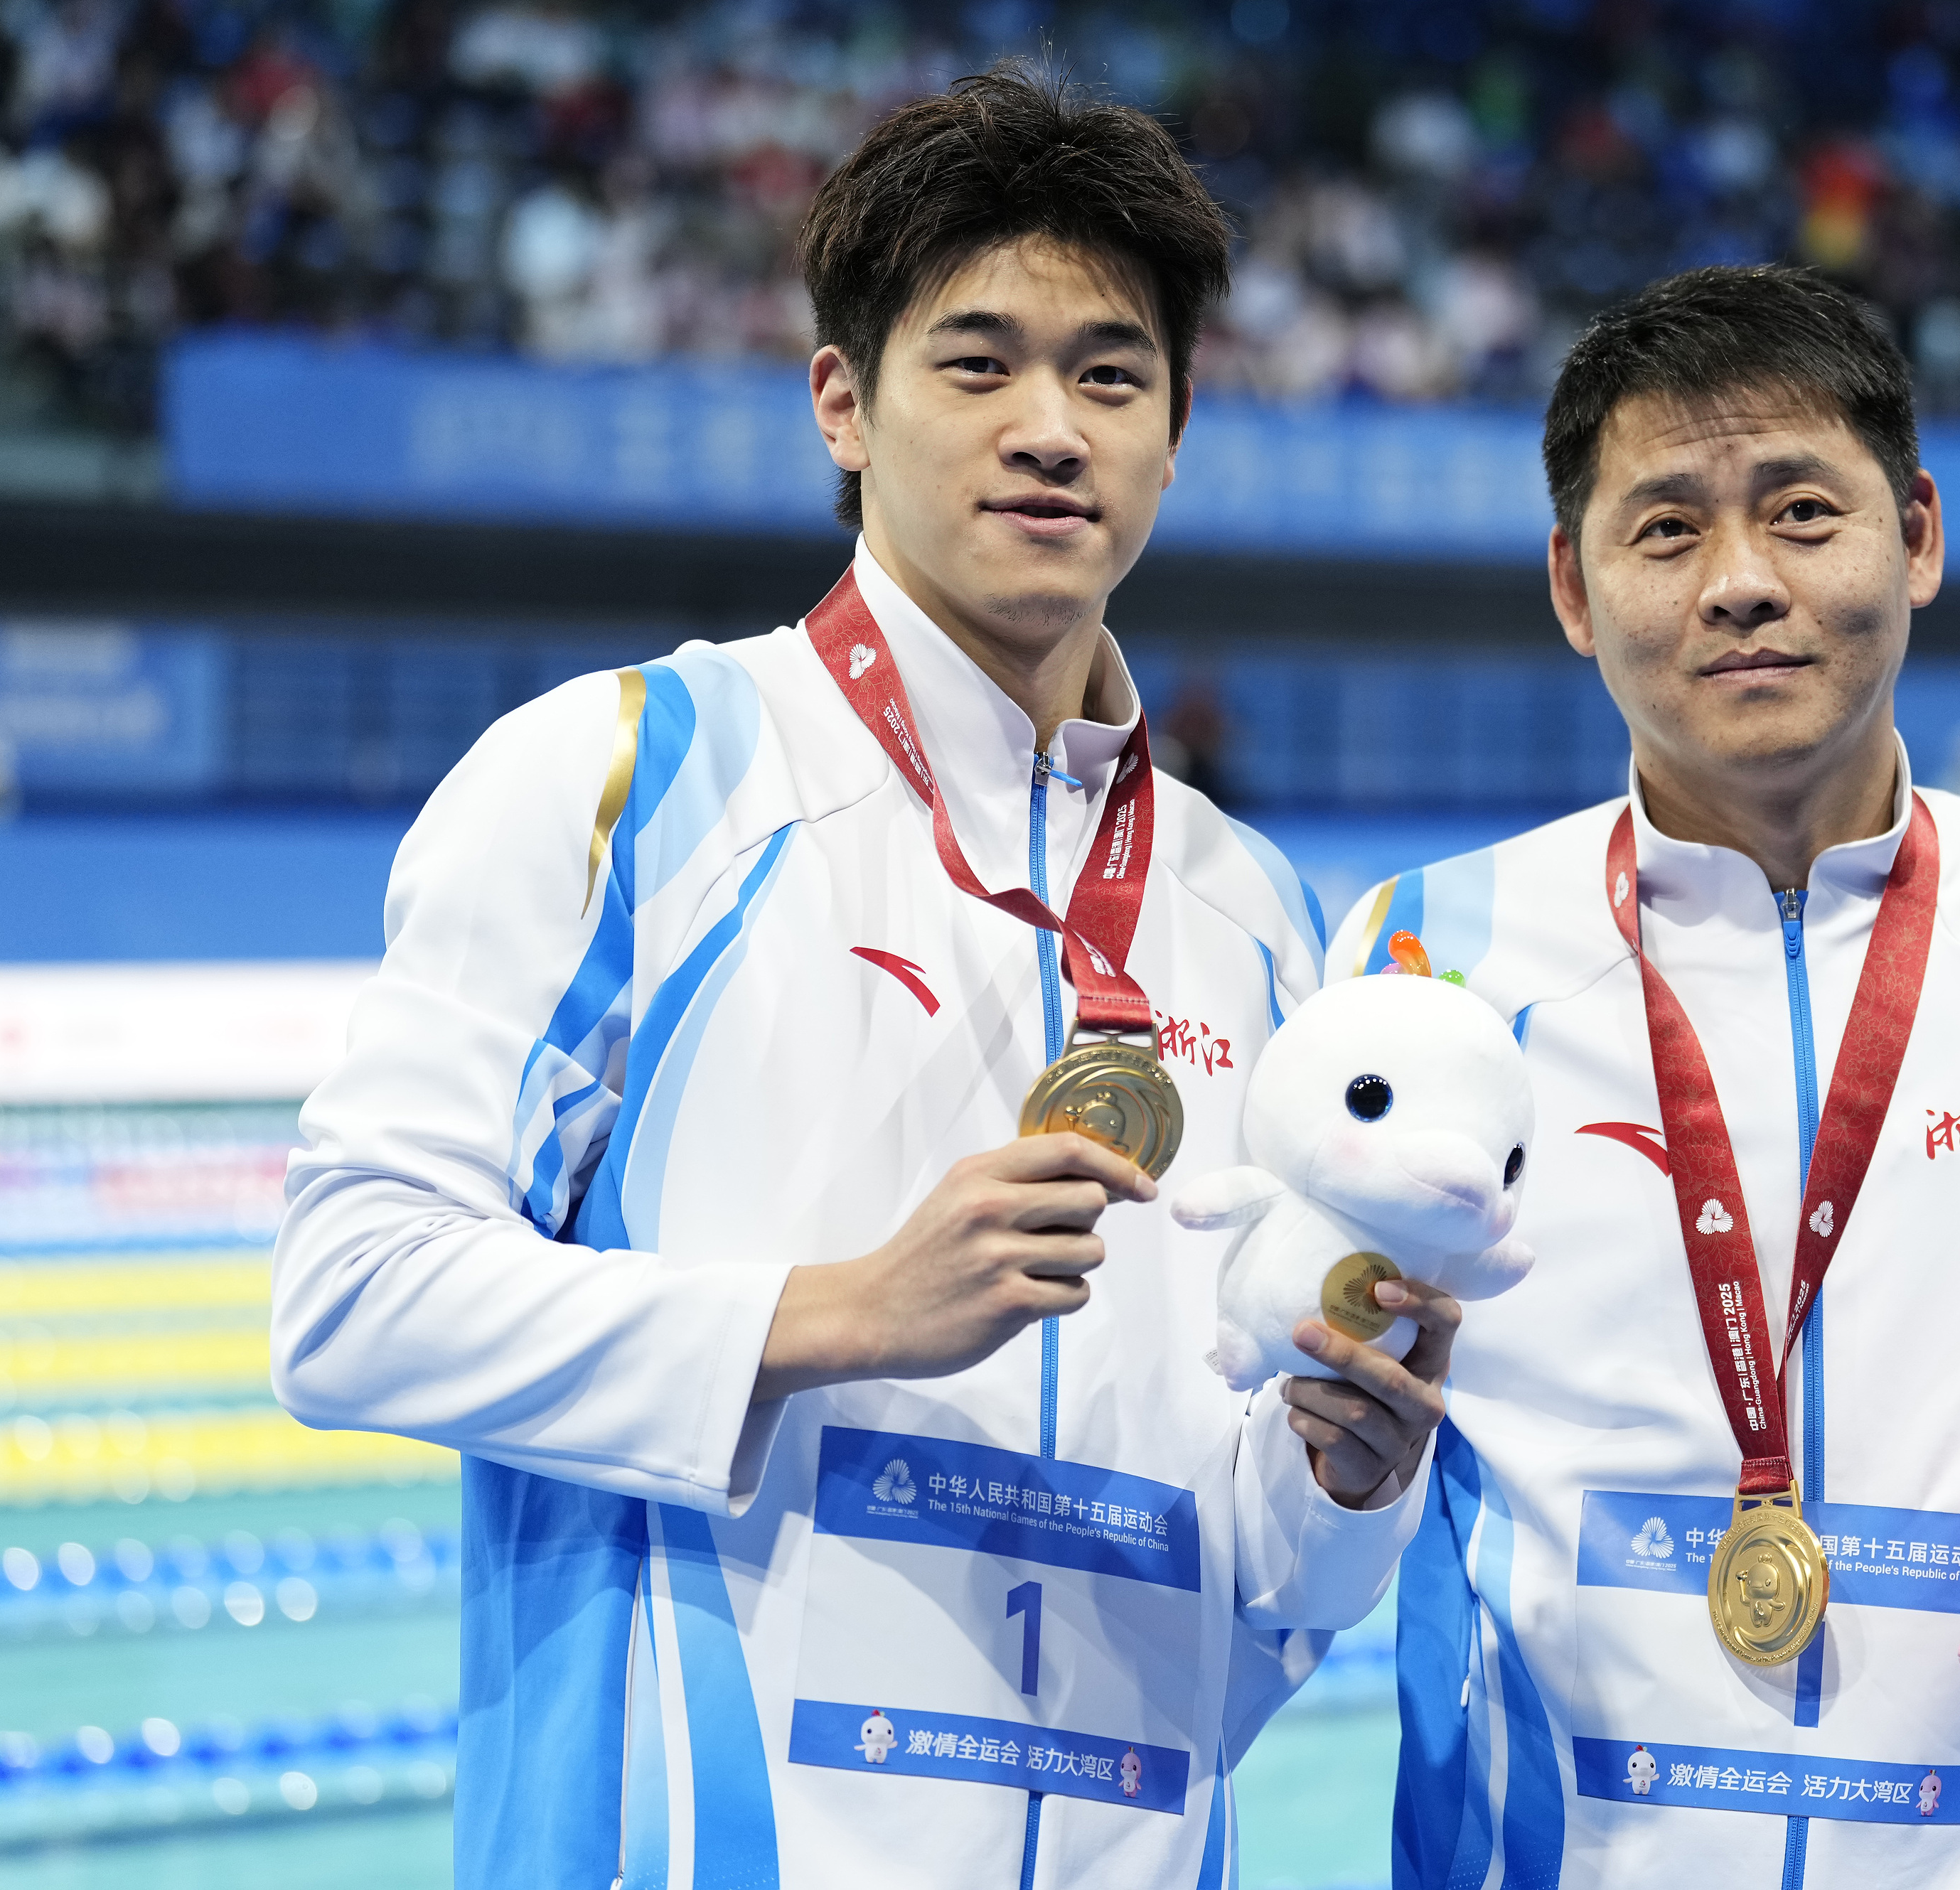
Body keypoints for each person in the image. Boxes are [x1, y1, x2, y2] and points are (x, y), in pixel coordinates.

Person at [272, 67, 1454, 1889]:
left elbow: (1267, 1588)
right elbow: (348, 1296)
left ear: (1177, 428)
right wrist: (831, 1311)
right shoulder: (632, 778)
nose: (1048, 427)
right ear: (843, 401)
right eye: (975, 363)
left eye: (1109, 376)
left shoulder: (1251, 910)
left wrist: (1341, 1471)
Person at [1329, 264, 1960, 1889]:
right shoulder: (1428, 952)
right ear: (1572, 591)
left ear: (1917, 535)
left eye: (1801, 511)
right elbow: (1309, 1449)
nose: (1738, 583)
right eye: (1663, 530)